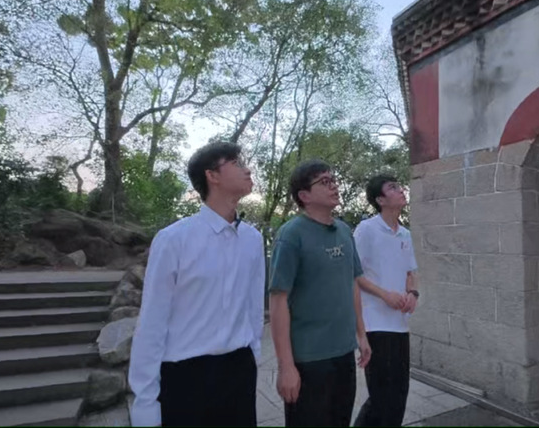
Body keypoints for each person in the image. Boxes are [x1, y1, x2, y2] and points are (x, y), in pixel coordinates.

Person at [129, 142, 265, 427]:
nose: (248, 170)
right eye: (237, 163)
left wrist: (252, 356)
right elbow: (152, 323)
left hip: (239, 372)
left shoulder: (252, 240)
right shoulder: (173, 239)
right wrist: (145, 405)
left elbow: (253, 308)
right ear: (212, 176)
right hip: (185, 378)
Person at [268, 159, 372, 427]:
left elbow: (352, 284)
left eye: (334, 180)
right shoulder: (291, 235)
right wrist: (286, 366)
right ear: (304, 195)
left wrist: (361, 335)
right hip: (308, 359)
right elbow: (278, 301)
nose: (334, 186)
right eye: (325, 182)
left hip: (344, 354)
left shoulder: (344, 231)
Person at [352, 174, 419, 427]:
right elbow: (354, 274)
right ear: (380, 200)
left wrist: (412, 294)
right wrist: (384, 294)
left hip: (400, 324)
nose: (401, 190)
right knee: (381, 397)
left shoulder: (404, 233)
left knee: (399, 393)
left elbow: (410, 273)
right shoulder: (366, 229)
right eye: (393, 188)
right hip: (375, 324)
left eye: (400, 186)